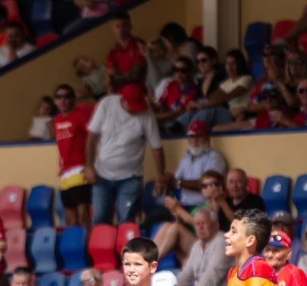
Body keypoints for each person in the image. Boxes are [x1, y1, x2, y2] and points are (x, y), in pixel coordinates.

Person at [85, 84, 166, 224]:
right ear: (122, 100)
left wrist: (160, 175)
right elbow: (91, 137)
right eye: (133, 106)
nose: (137, 110)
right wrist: (89, 166)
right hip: (102, 175)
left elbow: (157, 147)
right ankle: (101, 247)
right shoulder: (106, 104)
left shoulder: (147, 114)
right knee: (99, 219)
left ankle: (126, 247)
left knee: (126, 220)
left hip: (131, 177)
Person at [52, 85, 95, 226]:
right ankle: (74, 247)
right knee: (70, 220)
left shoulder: (80, 115)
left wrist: (89, 165)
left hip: (79, 170)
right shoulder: (57, 119)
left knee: (83, 217)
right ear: (54, 101)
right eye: (59, 97)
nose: (63, 100)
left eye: (67, 96)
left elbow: (92, 138)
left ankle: (87, 248)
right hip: (65, 173)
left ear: (73, 99)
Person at [170, 206, 231, 286]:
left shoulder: (222, 242)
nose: (200, 227)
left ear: (216, 225)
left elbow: (212, 275)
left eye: (204, 223)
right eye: (197, 224)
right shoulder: (197, 245)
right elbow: (187, 274)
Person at [162, 120, 227, 208]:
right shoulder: (186, 157)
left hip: (203, 207)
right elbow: (175, 180)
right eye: (192, 136)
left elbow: (207, 185)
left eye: (199, 136)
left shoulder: (214, 158)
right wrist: (165, 180)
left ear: (208, 138)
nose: (195, 140)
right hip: (183, 205)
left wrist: (177, 183)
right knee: (156, 215)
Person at [105, 11, 146, 92]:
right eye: (118, 26)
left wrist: (114, 79)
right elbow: (109, 81)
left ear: (130, 26)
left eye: (124, 26)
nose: (121, 30)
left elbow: (135, 75)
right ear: (113, 29)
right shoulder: (112, 53)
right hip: (120, 96)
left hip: (140, 91)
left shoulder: (138, 45)